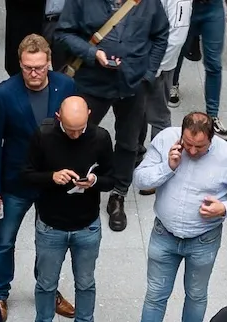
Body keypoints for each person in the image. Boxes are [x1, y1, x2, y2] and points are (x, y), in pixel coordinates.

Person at [112, 113, 227, 322]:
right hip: (164, 235)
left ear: (211, 139)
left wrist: (225, 208)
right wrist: (168, 166)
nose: (191, 150)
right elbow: (140, 179)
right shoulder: (167, 138)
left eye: (198, 147)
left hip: (203, 239)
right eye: (187, 143)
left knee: (196, 295)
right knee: (155, 295)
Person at [53, 0, 168, 230]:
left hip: (133, 83)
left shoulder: (149, 3)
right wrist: (92, 53)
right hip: (92, 81)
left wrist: (148, 74)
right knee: (79, 135)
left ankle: (118, 194)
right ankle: (74, 185)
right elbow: (63, 33)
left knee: (128, 142)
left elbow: (160, 35)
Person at [0, 36, 74, 319]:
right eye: (27, 68)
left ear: (49, 63)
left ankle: (48, 288)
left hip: (53, 182)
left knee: (50, 241)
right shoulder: (4, 94)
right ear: (20, 64)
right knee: (6, 239)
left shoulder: (66, 86)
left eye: (39, 67)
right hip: (17, 181)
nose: (34, 74)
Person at [22, 96, 111, 322]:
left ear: (90, 116)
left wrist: (94, 181)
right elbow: (25, 173)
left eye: (80, 129)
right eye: (70, 129)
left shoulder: (100, 137)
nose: (75, 134)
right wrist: (52, 177)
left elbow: (113, 178)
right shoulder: (43, 135)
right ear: (59, 117)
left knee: (85, 282)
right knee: (46, 283)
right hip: (51, 225)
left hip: (87, 225)